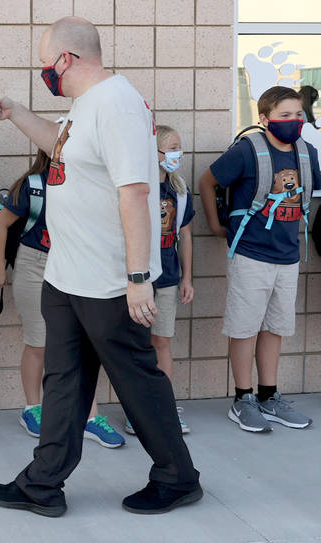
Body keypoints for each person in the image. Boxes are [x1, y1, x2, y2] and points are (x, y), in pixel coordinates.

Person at [0, 17, 201, 516]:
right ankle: (42, 485)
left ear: (66, 60)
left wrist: (139, 279)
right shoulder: (85, 107)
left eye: (45, 63)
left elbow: (136, 193)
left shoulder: (118, 104)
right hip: (66, 275)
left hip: (108, 281)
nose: (44, 72)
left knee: (137, 382)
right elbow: (58, 146)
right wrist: (14, 112)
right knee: (64, 381)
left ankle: (178, 476)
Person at [198, 86, 321, 433]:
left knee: (275, 327)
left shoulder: (306, 152)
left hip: (287, 256)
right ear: (265, 118)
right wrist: (213, 223)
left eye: (298, 114)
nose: (294, 121)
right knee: (244, 327)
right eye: (285, 115)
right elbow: (207, 181)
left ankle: (269, 396)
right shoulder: (247, 151)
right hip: (250, 254)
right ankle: (243, 399)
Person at [0, 149, 125, 447]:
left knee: (81, 344)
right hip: (34, 264)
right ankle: (32, 408)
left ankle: (89, 418)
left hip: (77, 265)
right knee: (38, 342)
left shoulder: (92, 183)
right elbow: (2, 223)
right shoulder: (34, 184)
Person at [126, 125, 195, 435]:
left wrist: (187, 278)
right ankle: (137, 411)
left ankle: (164, 407)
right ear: (153, 153)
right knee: (136, 344)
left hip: (167, 278)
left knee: (162, 341)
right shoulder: (139, 188)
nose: (176, 154)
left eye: (179, 148)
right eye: (171, 148)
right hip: (139, 278)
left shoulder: (179, 192)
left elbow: (185, 235)